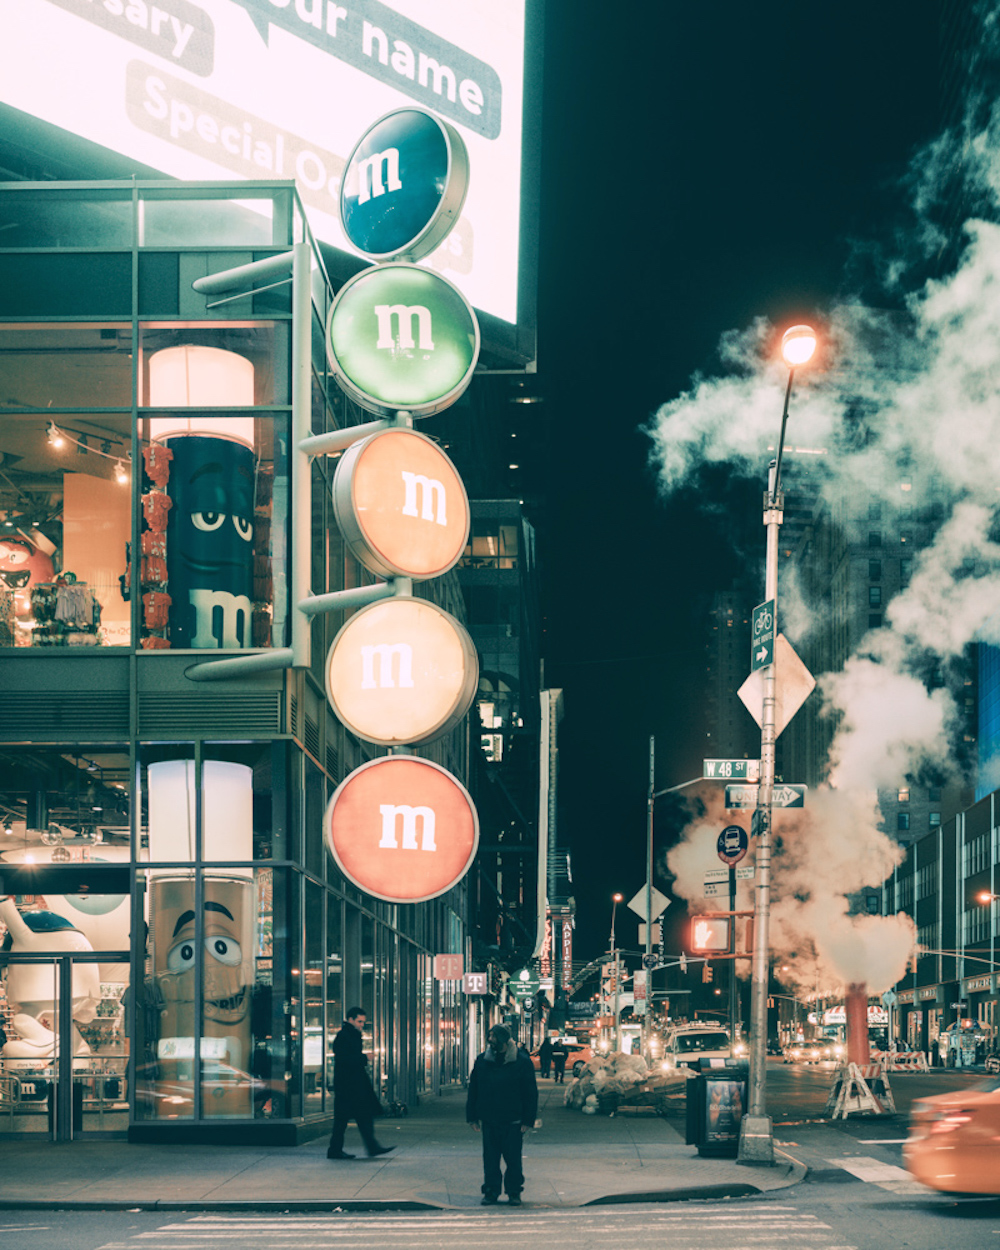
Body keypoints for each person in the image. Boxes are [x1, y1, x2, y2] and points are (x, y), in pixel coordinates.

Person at [467, 1023, 538, 1206]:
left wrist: (528, 1119)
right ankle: (491, 1191)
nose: (490, 1040)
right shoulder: (483, 1060)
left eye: (494, 1037)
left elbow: (530, 1092)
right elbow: (474, 1089)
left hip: (513, 1120)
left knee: (513, 1160)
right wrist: (472, 1116)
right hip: (490, 1119)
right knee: (490, 1160)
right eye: (489, 1036)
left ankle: (514, 1192)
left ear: (504, 1040)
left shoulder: (521, 1061)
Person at [327, 1006, 394, 1160]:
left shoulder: (349, 1035)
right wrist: (365, 1058)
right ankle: (365, 1147)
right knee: (349, 1118)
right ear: (350, 1019)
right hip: (349, 1085)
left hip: (350, 1085)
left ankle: (365, 1147)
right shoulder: (345, 1036)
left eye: (363, 1022)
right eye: (359, 1021)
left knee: (351, 1118)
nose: (362, 1024)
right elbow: (344, 1059)